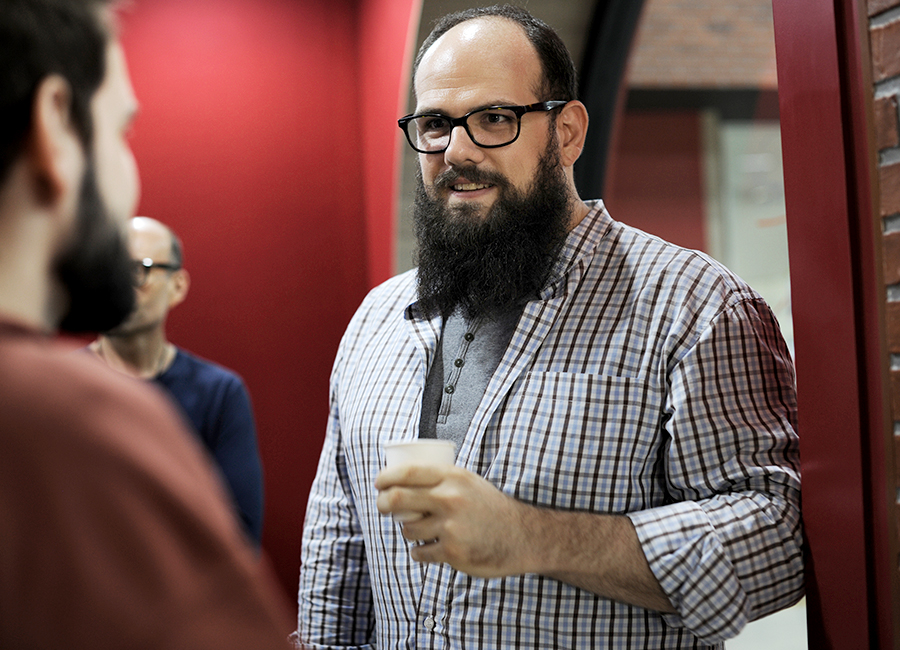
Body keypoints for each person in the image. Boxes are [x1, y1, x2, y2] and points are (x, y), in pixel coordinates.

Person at [296, 5, 803, 649]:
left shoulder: (693, 306)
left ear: (567, 133)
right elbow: (336, 566)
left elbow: (778, 538)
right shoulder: (377, 321)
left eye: (494, 118)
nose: (456, 151)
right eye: (435, 124)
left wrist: (531, 536)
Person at [0, 0, 291, 647]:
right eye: (122, 131)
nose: (130, 172)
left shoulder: (211, 393)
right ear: (56, 126)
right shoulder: (77, 418)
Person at [90, 216, 265, 545]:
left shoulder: (218, 393)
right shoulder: (62, 390)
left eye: (137, 270)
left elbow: (239, 534)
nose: (117, 285)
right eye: (106, 270)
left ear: (178, 286)